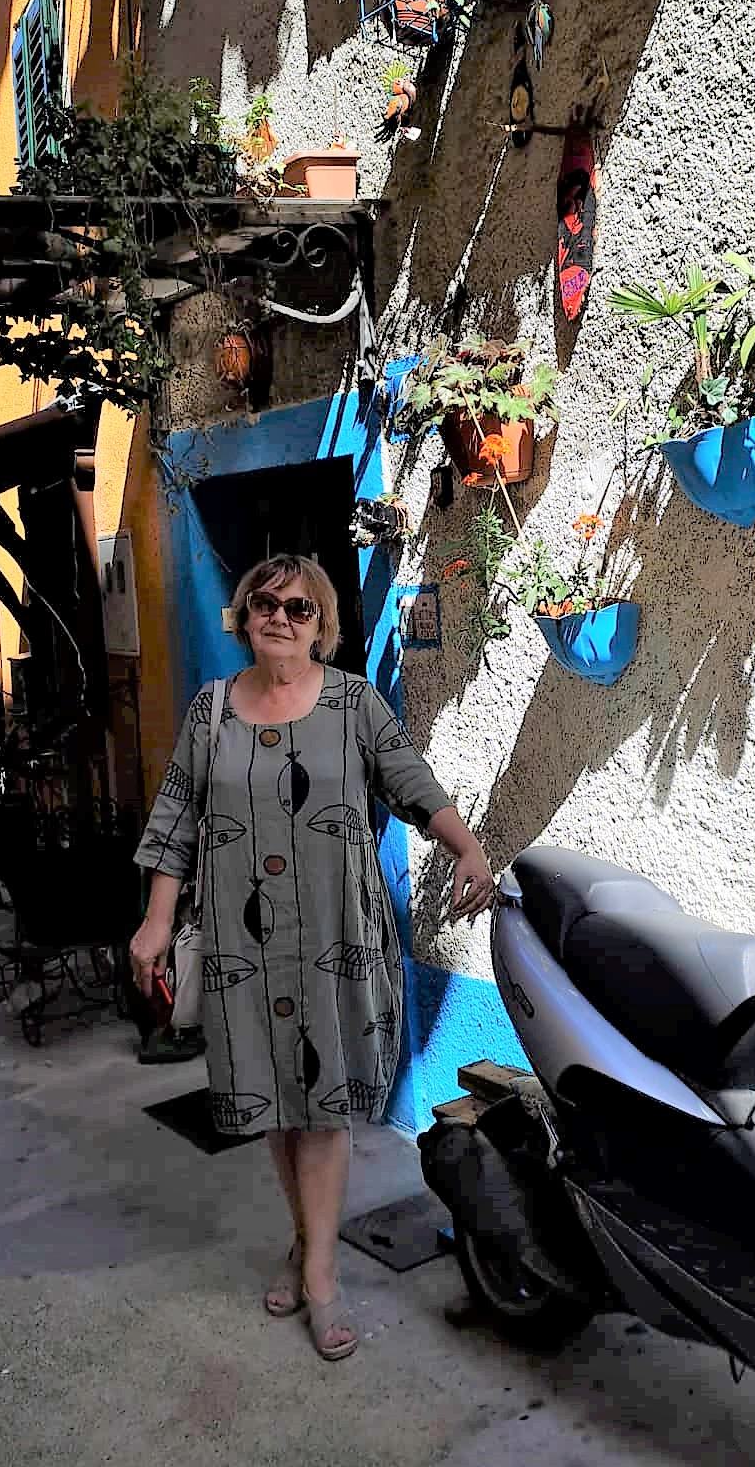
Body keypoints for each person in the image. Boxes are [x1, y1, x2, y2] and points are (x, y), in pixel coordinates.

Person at [129, 553, 493, 1360]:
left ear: (321, 624)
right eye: (265, 603)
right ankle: (307, 1243)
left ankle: (320, 1275)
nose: (280, 618)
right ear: (243, 616)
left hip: (334, 938)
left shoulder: (354, 703)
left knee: (322, 1105)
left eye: (299, 608)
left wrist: (466, 848)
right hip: (241, 943)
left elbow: (411, 781)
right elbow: (176, 817)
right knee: (273, 1102)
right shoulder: (210, 710)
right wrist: (155, 923)